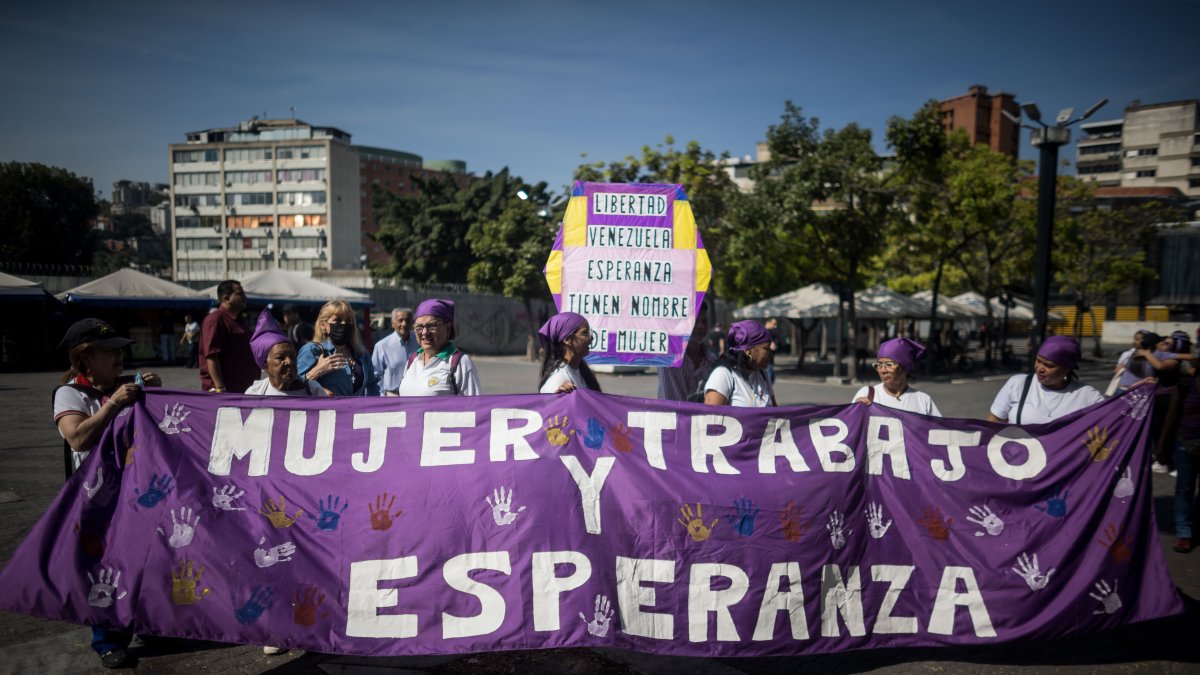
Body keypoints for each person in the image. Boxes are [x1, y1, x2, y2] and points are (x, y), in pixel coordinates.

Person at [53, 319, 160, 669]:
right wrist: (112, 404)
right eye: (109, 352)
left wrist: (155, 393)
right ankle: (107, 641)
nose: (118, 358)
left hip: (134, 493)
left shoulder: (125, 385)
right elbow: (78, 438)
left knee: (141, 559)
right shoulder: (70, 393)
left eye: (119, 351)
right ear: (85, 359)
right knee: (104, 570)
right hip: (94, 499)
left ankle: (146, 625)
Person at [987, 335, 1105, 425]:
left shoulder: (1088, 396)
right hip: (1017, 456)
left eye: (1049, 365)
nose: (1040, 368)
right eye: (1038, 361)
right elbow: (993, 422)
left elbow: (1111, 426)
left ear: (1067, 368)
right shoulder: (1018, 384)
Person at [398, 299, 482, 396]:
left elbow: (474, 406)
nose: (425, 332)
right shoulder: (413, 360)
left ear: (448, 328)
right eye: (419, 327)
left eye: (432, 326)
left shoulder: (460, 363)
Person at [297, 300, 378, 396]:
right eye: (337, 320)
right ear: (323, 325)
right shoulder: (313, 350)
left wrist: (371, 407)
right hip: (327, 410)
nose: (344, 324)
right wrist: (318, 370)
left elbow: (372, 385)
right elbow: (296, 387)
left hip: (356, 410)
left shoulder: (362, 355)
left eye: (348, 321)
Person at [246, 309, 327, 397]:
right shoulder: (255, 393)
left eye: (292, 356)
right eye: (281, 357)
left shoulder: (313, 390)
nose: (290, 361)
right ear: (265, 364)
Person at [853, 337, 942, 416]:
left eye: (889, 365)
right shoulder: (867, 394)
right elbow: (849, 427)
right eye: (879, 365)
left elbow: (939, 431)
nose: (883, 370)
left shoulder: (923, 401)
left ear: (904, 368)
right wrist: (855, 411)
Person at [199, 280, 258, 394]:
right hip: (226, 392)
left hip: (242, 389)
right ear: (226, 298)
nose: (245, 297)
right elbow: (212, 356)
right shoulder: (215, 319)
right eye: (240, 294)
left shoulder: (239, 321)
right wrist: (220, 388)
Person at [703, 320, 775, 407]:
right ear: (748, 350)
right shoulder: (723, 375)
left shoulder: (763, 374)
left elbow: (775, 414)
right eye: (766, 348)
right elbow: (711, 418)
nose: (770, 353)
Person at [658, 301, 715, 401]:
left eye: (704, 321)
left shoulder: (712, 362)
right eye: (695, 321)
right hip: (669, 416)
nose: (701, 326)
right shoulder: (668, 356)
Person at [537, 312, 601, 393]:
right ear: (567, 339)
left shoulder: (582, 371)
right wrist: (559, 396)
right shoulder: (556, 382)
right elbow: (551, 402)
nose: (591, 338)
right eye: (585, 333)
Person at [1174, 353, 1200, 553]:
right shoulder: (1185, 384)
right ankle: (1184, 533)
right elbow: (1173, 414)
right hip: (1186, 443)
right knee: (1184, 488)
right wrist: (1162, 444)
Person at [371, 307, 417, 396]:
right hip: (392, 396)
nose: (404, 324)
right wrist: (380, 396)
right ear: (393, 323)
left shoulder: (419, 342)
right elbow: (375, 375)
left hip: (415, 396)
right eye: (400, 320)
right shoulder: (382, 346)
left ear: (412, 322)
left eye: (407, 320)